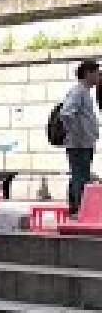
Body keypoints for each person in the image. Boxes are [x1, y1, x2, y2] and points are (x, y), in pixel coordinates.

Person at [60, 59, 100, 218]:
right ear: (88, 73)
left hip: (83, 142)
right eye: (97, 73)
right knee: (80, 176)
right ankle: (78, 209)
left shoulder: (83, 92)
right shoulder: (79, 91)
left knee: (79, 175)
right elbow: (66, 113)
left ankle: (75, 209)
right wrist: (77, 134)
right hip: (79, 144)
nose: (99, 77)